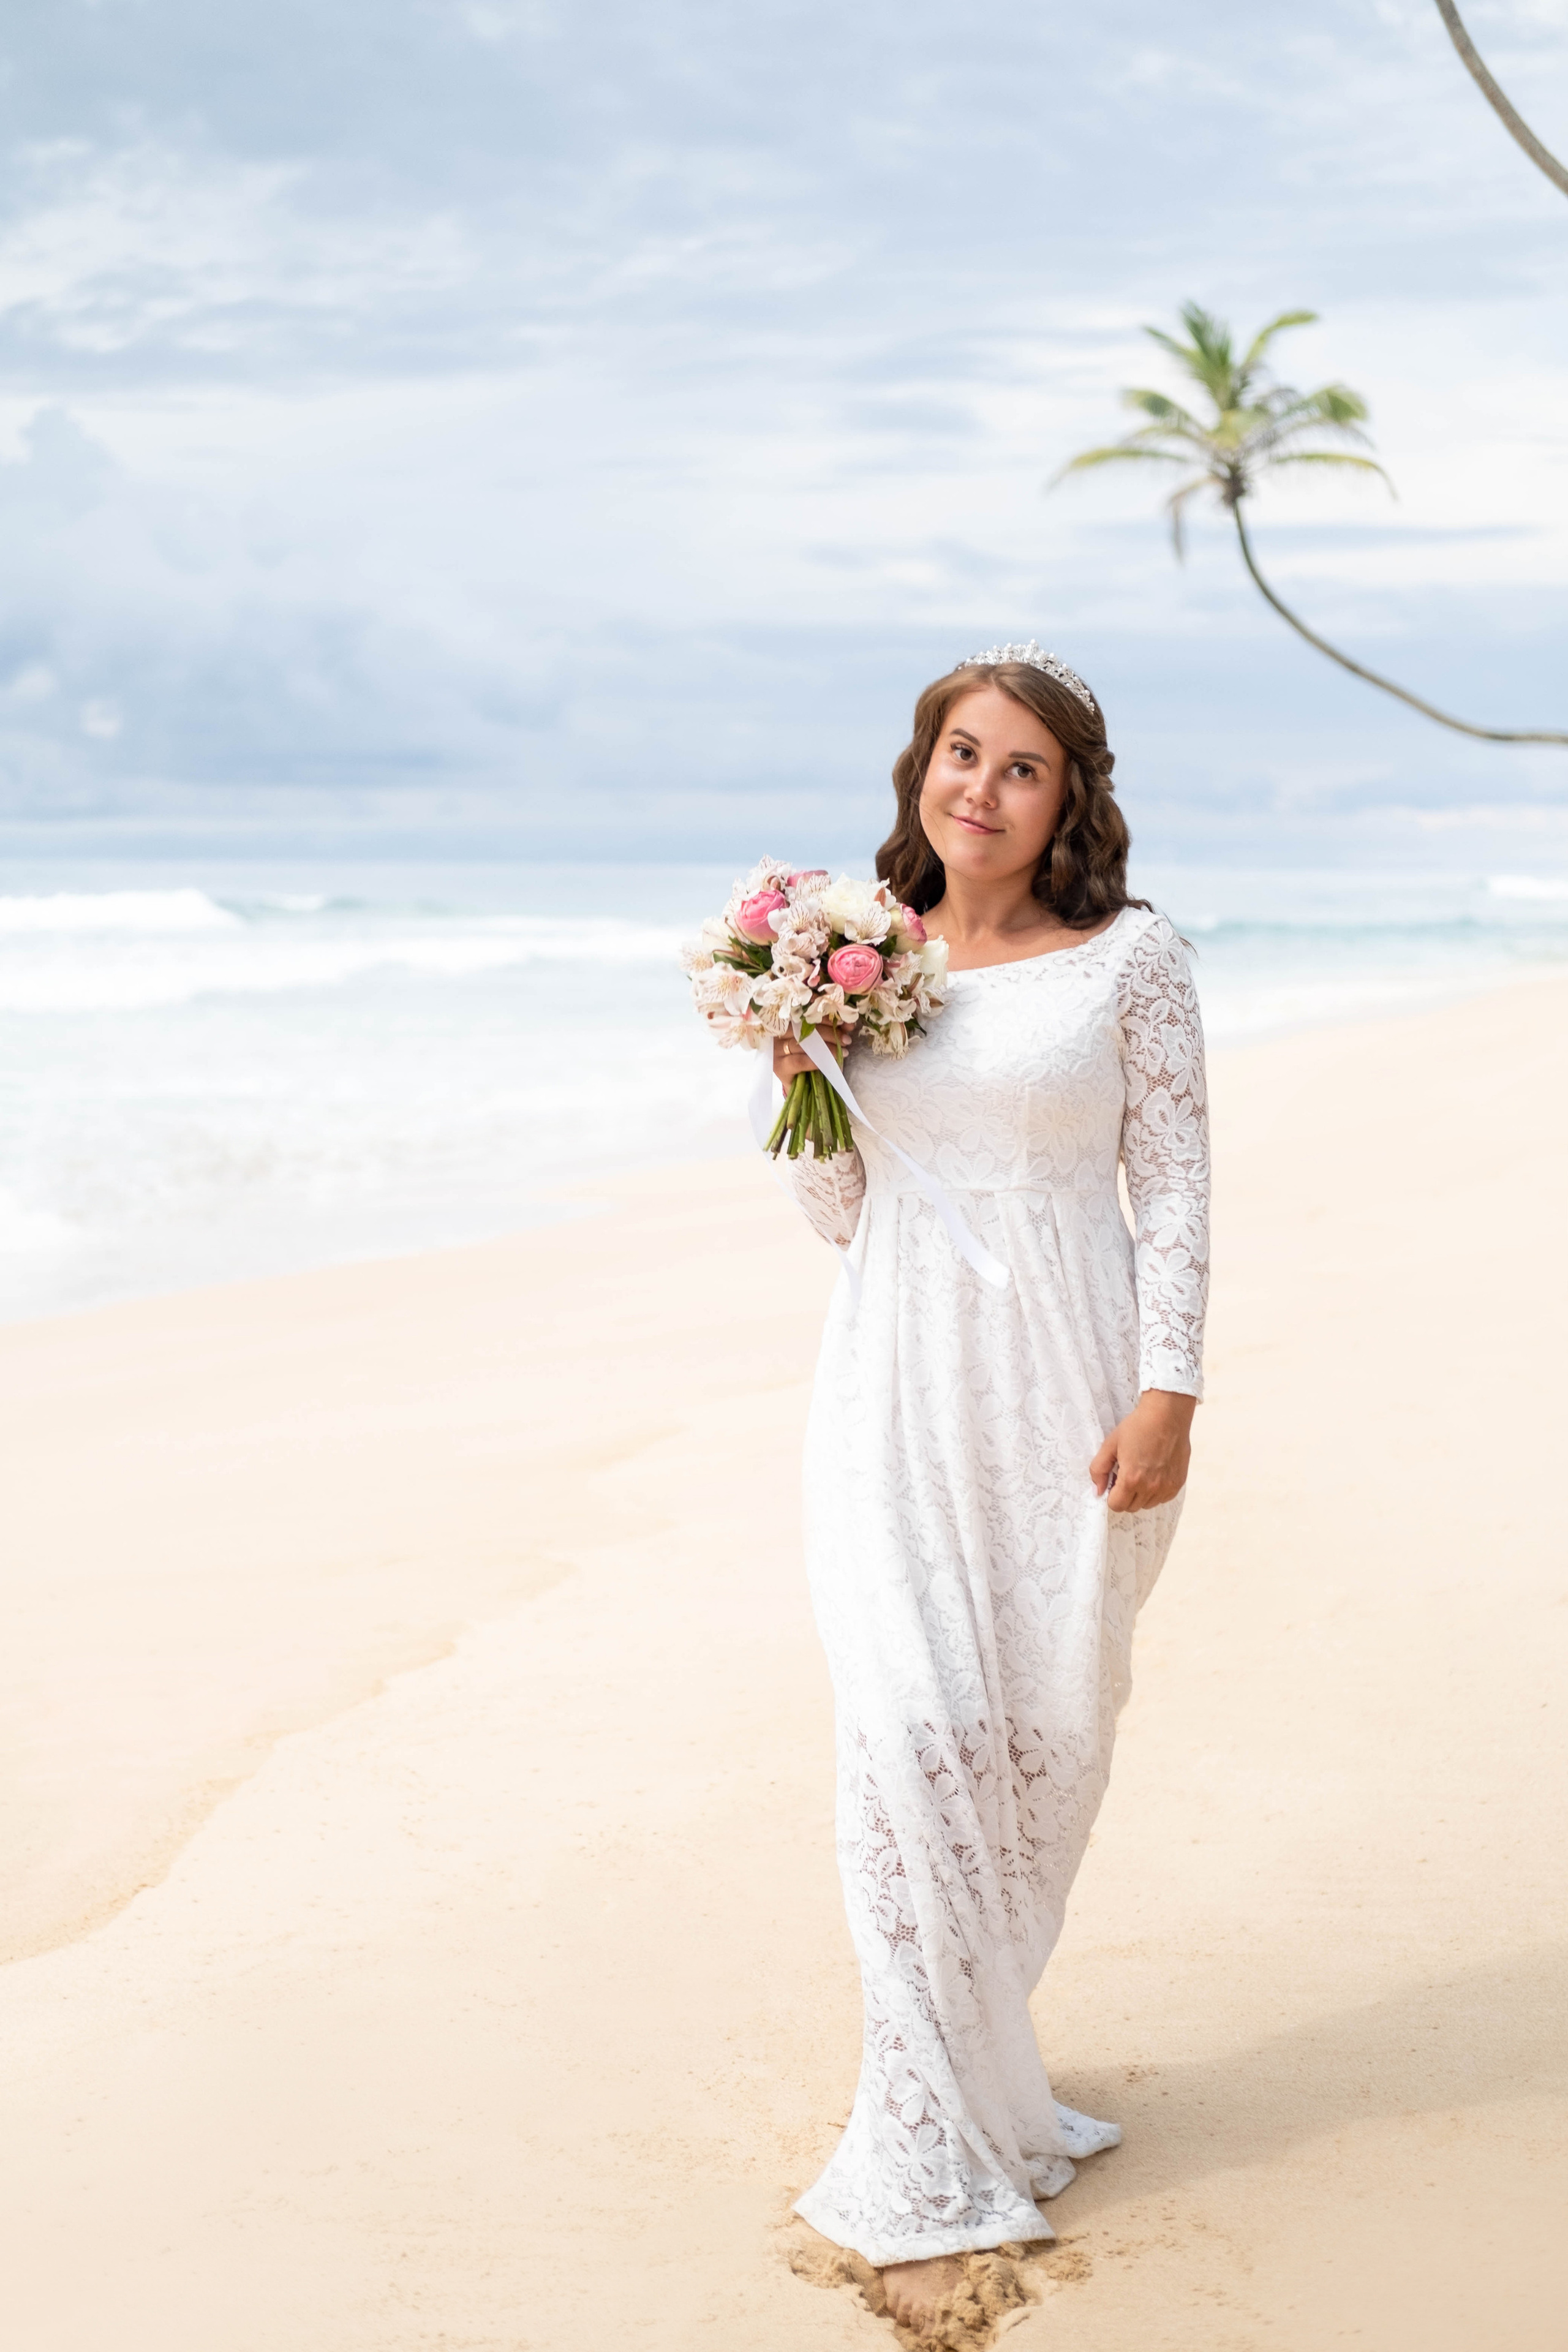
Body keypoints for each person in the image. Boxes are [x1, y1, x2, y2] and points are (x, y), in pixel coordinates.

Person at [773, 643, 1210, 2341]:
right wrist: (798, 1043)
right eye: (961, 752)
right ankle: (918, 2159)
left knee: (1041, 1746)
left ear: (1067, 800)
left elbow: (1171, 1186)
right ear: (921, 768)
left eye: (1021, 767)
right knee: (906, 1738)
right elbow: (835, 1212)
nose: (982, 788)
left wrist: (1172, 1387)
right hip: (889, 1389)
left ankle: (983, 2084)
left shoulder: (1134, 964)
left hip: (1073, 1389)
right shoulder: (860, 961)